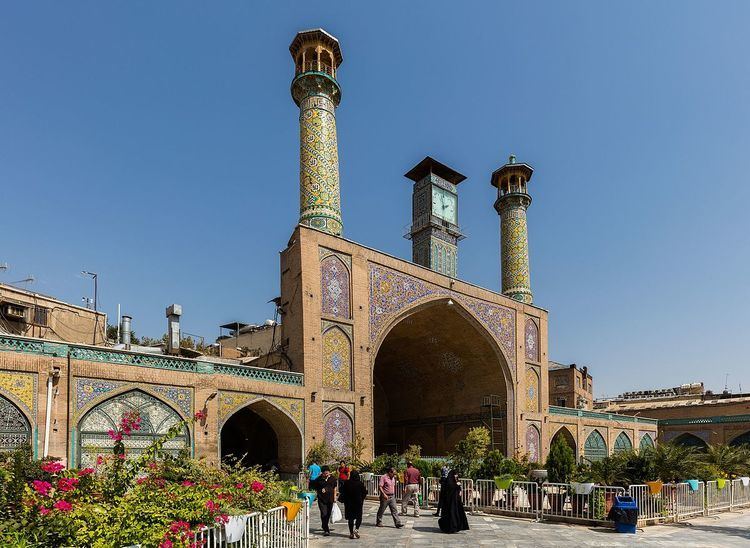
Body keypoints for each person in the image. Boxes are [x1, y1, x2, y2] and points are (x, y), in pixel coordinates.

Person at [437, 470, 469, 534]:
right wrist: (457, 485)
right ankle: (450, 527)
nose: (456, 476)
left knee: (455, 515)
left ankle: (455, 527)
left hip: (455, 502)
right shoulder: (449, 481)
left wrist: (459, 489)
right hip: (449, 503)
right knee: (451, 515)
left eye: (457, 474)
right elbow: (451, 488)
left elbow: (457, 489)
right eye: (455, 474)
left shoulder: (454, 481)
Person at [341, 470, 367, 539]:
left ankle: (351, 533)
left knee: (350, 519)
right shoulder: (360, 483)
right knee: (359, 517)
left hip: (349, 504)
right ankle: (356, 529)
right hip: (358, 503)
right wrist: (361, 499)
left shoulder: (347, 483)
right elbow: (364, 492)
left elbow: (342, 492)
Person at [314, 465, 338, 536]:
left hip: (330, 499)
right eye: (325, 473)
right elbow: (315, 488)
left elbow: (335, 488)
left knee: (328, 514)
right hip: (321, 499)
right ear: (322, 473)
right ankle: (326, 529)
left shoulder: (333, 479)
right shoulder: (318, 480)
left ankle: (324, 525)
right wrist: (320, 491)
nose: (326, 474)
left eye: (328, 473)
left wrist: (335, 498)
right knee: (323, 513)